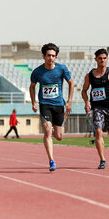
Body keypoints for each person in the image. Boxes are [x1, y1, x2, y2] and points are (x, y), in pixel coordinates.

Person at [29, 43, 74, 172]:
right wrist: (34, 102)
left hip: (59, 105)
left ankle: (61, 121)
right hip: (45, 105)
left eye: (53, 56)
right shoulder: (37, 72)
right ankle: (51, 161)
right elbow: (32, 87)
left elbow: (71, 83)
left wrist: (69, 101)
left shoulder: (62, 69)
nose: (51, 58)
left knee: (59, 136)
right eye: (48, 55)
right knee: (47, 130)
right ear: (43, 56)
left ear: (56, 57)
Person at [81, 48, 109, 169]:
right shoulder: (90, 75)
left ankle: (107, 129)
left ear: (107, 59)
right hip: (97, 108)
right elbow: (84, 91)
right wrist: (86, 102)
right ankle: (102, 159)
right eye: (100, 58)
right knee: (98, 132)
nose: (102, 60)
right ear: (95, 59)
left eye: (104, 58)